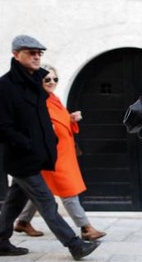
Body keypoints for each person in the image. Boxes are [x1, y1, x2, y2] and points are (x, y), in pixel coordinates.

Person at [0, 35, 100, 260]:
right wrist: (28, 145)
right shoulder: (5, 86)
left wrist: (49, 143)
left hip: (38, 156)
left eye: (39, 53)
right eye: (31, 52)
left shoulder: (35, 84)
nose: (37, 56)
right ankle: (75, 245)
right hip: (22, 159)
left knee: (14, 202)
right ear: (16, 55)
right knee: (47, 202)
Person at [13, 64, 106, 241]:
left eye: (55, 79)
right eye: (47, 79)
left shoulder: (52, 99)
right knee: (68, 190)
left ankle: (23, 221)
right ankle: (86, 228)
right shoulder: (36, 101)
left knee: (40, 192)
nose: (51, 82)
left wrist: (71, 119)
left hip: (63, 153)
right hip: (52, 156)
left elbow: (59, 123)